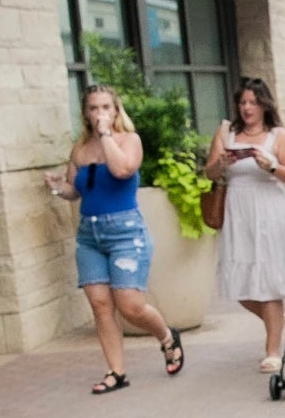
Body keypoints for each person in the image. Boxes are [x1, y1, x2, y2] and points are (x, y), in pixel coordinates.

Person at [46, 84, 184, 394]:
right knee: (100, 305)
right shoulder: (80, 149)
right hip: (90, 234)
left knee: (130, 306)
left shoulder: (128, 140)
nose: (99, 114)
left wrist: (107, 135)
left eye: (105, 107)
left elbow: (122, 169)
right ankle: (116, 371)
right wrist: (57, 187)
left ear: (116, 110)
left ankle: (166, 337)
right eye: (93, 108)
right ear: (85, 112)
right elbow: (75, 190)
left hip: (125, 232)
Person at [206, 78, 285, 374]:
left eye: (253, 102)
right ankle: (281, 320)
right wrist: (220, 163)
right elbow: (210, 173)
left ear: (264, 105)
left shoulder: (278, 135)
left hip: (269, 212)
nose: (247, 108)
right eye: (243, 102)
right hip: (238, 212)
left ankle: (272, 349)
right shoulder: (227, 133)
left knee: (268, 283)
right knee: (241, 285)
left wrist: (270, 165)